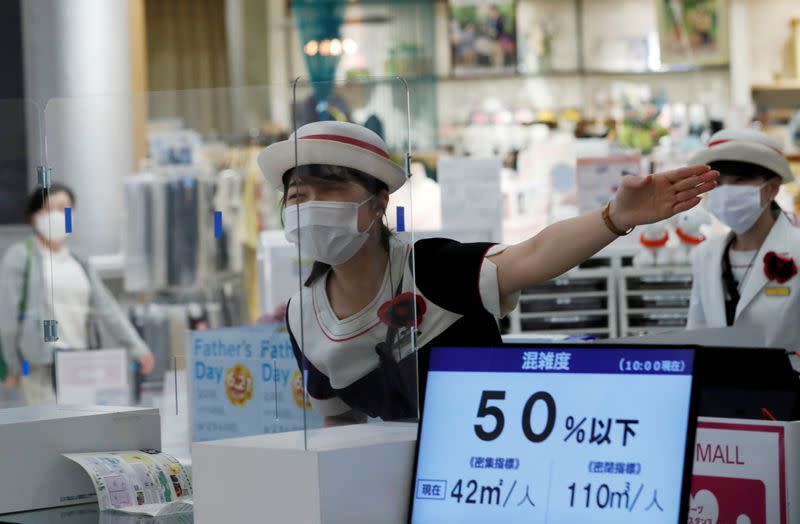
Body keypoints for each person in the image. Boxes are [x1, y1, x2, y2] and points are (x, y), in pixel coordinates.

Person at [258, 121, 718, 425]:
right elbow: (336, 423)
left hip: (483, 477)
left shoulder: (432, 269)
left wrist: (615, 218)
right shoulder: (303, 315)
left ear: (379, 203)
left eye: (331, 189)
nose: (311, 206)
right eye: (298, 196)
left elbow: (534, 254)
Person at [0, 184, 154, 404]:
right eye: (49, 209)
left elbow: (107, 308)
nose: (58, 216)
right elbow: (7, 317)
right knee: (49, 432)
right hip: (40, 365)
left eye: (65, 209)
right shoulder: (20, 256)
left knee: (83, 430)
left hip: (80, 364)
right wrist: (12, 366)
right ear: (33, 217)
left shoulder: (78, 259)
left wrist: (137, 347)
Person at [687, 129, 800, 354]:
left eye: (739, 180)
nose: (726, 192)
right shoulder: (704, 254)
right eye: (718, 183)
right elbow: (696, 332)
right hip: (720, 384)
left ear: (772, 187)